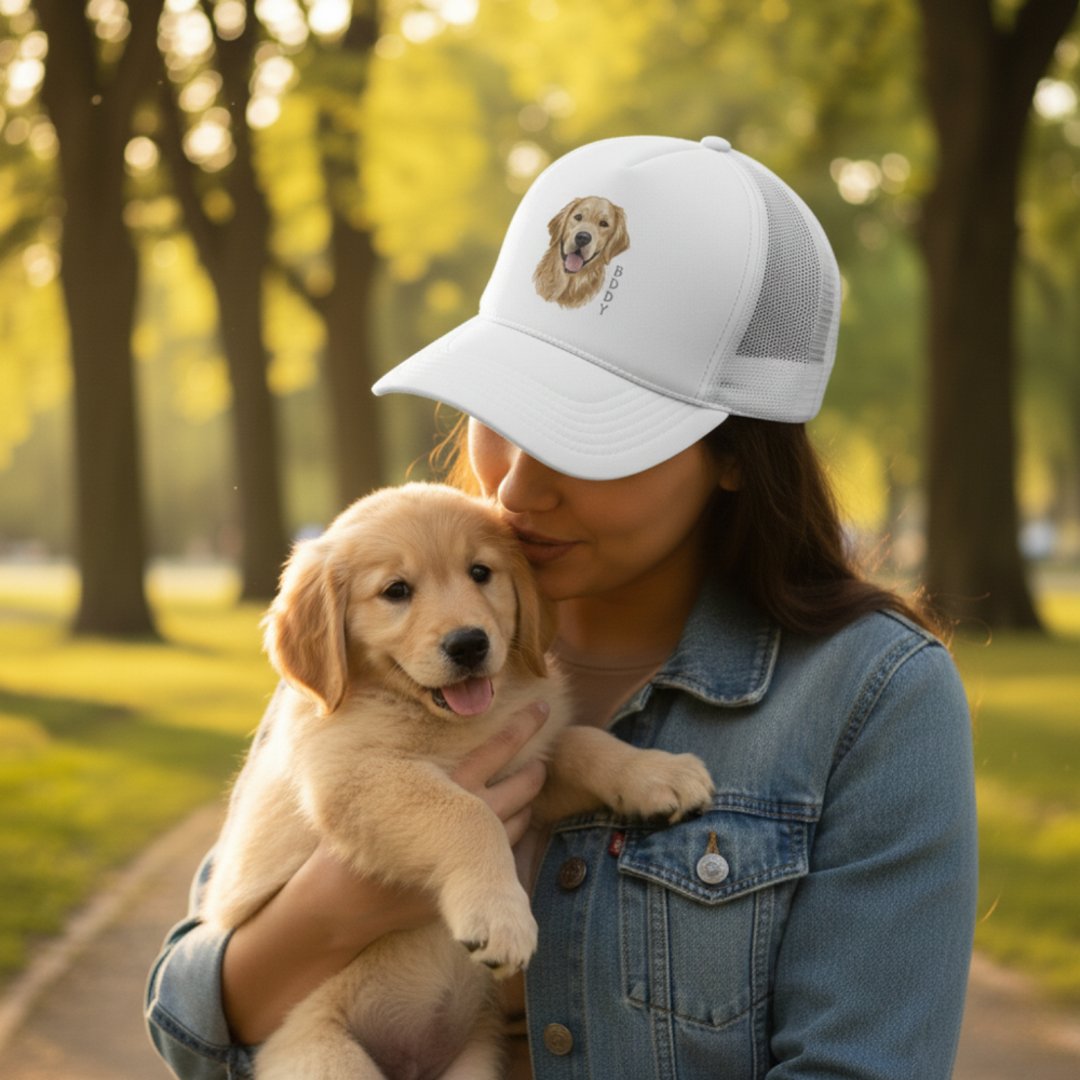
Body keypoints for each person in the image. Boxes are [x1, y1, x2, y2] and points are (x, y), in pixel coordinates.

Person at [146, 135, 978, 1079]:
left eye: (590, 434)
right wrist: (338, 908)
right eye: (504, 408)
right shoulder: (389, 644)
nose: (518, 486)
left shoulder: (874, 700)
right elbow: (192, 1020)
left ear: (740, 454)